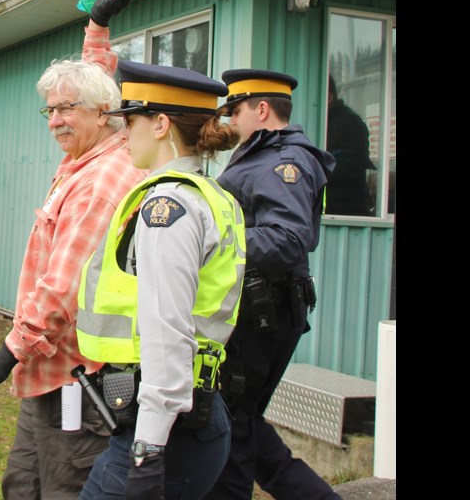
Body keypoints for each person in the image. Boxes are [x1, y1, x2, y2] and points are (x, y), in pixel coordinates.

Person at [0, 0, 151, 499]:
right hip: (49, 371)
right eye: (49, 111)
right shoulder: (93, 146)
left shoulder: (102, 180)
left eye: (65, 110)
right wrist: (97, 26)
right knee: (22, 485)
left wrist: (5, 355)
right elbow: (92, 82)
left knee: (63, 489)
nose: (55, 121)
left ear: (103, 111)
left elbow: (65, 285)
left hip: (78, 377)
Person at [75, 60, 247, 500]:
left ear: (161, 124)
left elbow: (167, 332)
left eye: (130, 120)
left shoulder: (167, 207)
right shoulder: (211, 195)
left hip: (167, 431)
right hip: (190, 415)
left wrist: (148, 449)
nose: (123, 132)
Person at [203, 70, 339, 500]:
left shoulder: (284, 162)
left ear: (261, 110)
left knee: (233, 426)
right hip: (258, 307)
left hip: (263, 312)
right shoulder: (257, 156)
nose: (229, 121)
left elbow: (288, 240)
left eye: (235, 111)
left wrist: (208, 242)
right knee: (242, 422)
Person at [325, 76, 375, 216]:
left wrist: (320, 169)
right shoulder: (325, 120)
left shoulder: (350, 122)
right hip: (330, 205)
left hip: (346, 208)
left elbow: (352, 165)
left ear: (329, 97)